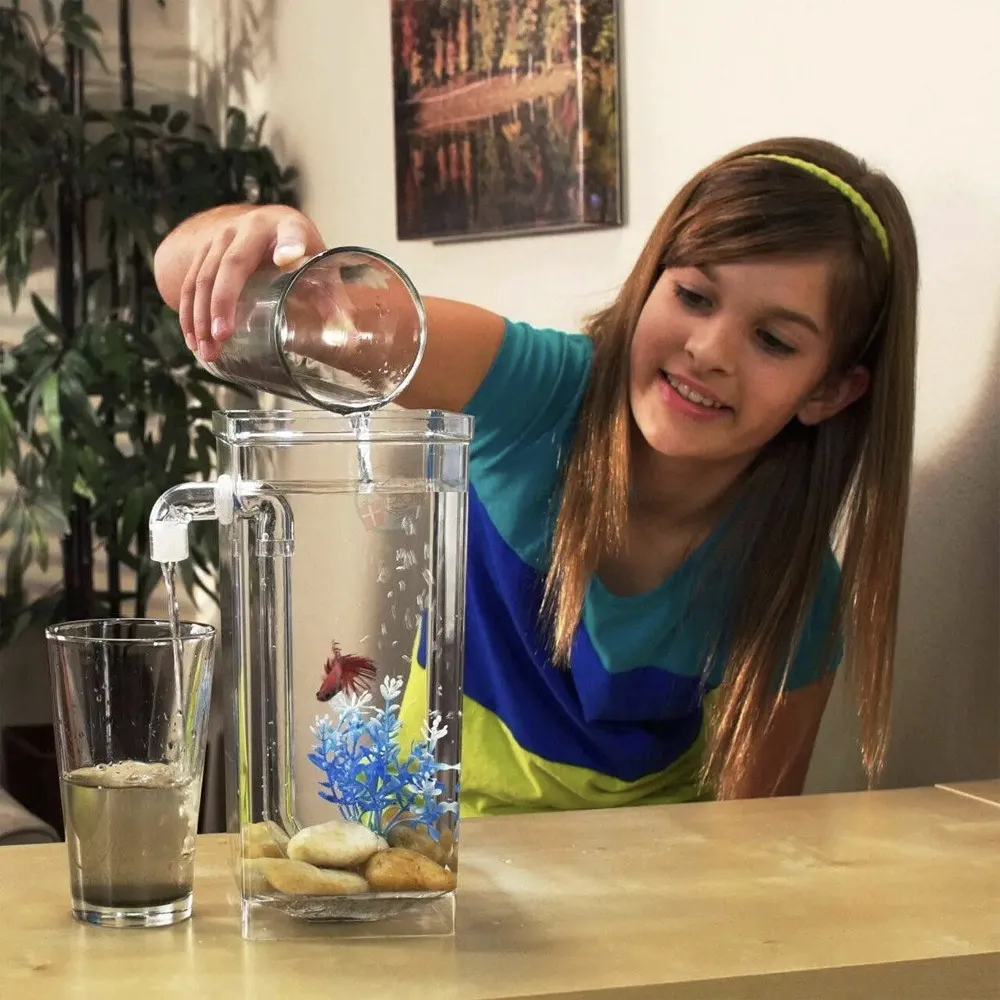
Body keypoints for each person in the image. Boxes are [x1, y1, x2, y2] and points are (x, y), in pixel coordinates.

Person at [154, 136, 918, 816]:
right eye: (693, 295)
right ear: (651, 280)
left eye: (774, 339)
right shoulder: (535, 392)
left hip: (645, 902)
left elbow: (749, 850)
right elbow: (194, 284)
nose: (709, 350)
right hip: (426, 865)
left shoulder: (793, 585)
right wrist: (254, 239)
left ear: (830, 391)